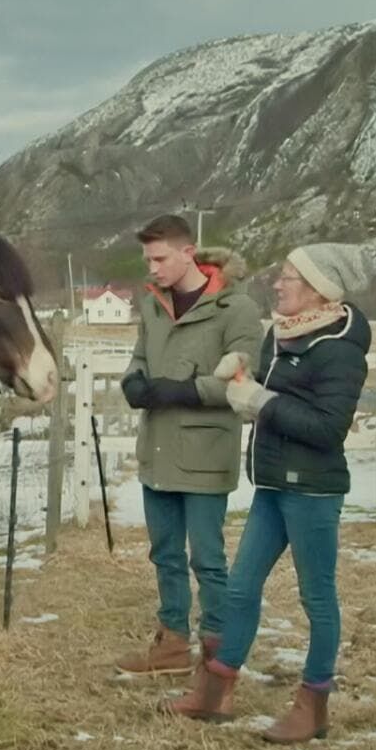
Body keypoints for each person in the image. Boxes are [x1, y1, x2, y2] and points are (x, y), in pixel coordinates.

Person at [168, 242, 372, 743]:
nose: (277, 284)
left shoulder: (340, 348)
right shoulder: (282, 333)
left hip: (313, 492)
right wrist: (243, 372)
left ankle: (313, 705)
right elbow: (272, 389)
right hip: (273, 485)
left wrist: (261, 401)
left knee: (316, 598)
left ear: (319, 289)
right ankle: (216, 692)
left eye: (288, 278)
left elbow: (327, 427)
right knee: (240, 589)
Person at [113, 214, 263, 677]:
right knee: (165, 554)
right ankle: (173, 643)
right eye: (147, 260)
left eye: (160, 259)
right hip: (157, 449)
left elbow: (245, 381)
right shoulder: (152, 305)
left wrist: (181, 390)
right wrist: (133, 380)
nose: (152, 268)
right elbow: (140, 357)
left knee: (208, 559)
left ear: (188, 252)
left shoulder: (236, 309)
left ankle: (217, 650)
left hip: (204, 455)